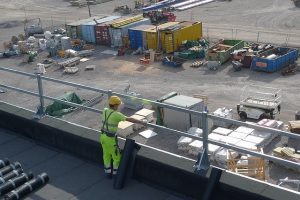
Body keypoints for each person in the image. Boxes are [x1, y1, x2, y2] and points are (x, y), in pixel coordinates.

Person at [100, 95, 146, 179]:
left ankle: (107, 173)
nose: (119, 106)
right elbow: (130, 119)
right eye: (118, 104)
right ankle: (116, 174)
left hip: (102, 136)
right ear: (114, 105)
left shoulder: (105, 110)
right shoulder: (116, 114)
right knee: (116, 157)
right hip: (110, 139)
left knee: (106, 155)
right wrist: (142, 122)